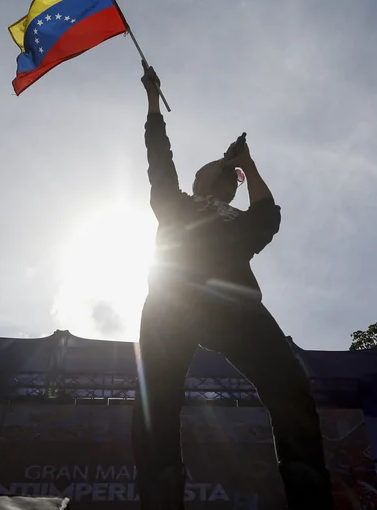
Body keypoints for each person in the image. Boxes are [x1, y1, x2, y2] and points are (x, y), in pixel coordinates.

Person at [131, 64, 335, 509]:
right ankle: (160, 497)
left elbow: (268, 216)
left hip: (235, 305)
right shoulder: (176, 202)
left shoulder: (240, 222)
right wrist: (153, 100)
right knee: (157, 399)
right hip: (173, 301)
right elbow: (159, 159)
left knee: (289, 385)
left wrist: (247, 164)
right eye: (223, 172)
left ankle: (309, 495)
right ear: (201, 178)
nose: (231, 179)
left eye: (235, 179)